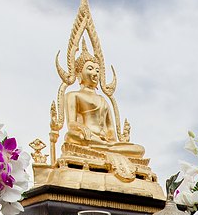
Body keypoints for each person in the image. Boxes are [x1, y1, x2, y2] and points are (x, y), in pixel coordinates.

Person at [61, 51, 145, 180]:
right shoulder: (73, 96)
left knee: (139, 150)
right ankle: (106, 149)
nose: (95, 73)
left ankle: (107, 149)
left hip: (104, 143)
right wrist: (80, 127)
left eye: (97, 70)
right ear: (79, 73)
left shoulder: (103, 100)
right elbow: (71, 124)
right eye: (90, 69)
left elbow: (111, 131)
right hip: (87, 138)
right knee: (71, 136)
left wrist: (115, 142)